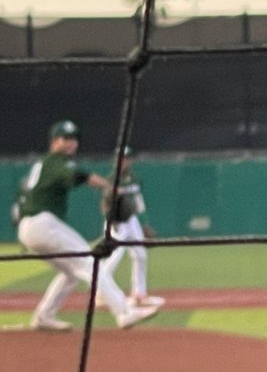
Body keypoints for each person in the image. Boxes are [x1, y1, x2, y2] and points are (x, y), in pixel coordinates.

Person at [16, 119, 161, 332]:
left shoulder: (43, 164)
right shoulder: (56, 161)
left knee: (70, 273)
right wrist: (111, 188)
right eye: (65, 139)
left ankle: (44, 317)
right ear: (54, 141)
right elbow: (81, 176)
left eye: (73, 139)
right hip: (43, 223)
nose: (70, 143)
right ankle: (124, 312)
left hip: (29, 227)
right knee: (90, 262)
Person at [103, 146, 165, 312]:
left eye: (127, 158)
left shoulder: (134, 178)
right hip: (117, 221)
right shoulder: (112, 178)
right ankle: (100, 292)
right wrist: (111, 222)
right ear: (115, 160)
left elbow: (139, 203)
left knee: (140, 254)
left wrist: (145, 224)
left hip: (132, 220)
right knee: (114, 256)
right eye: (121, 158)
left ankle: (139, 295)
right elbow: (104, 203)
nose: (124, 161)